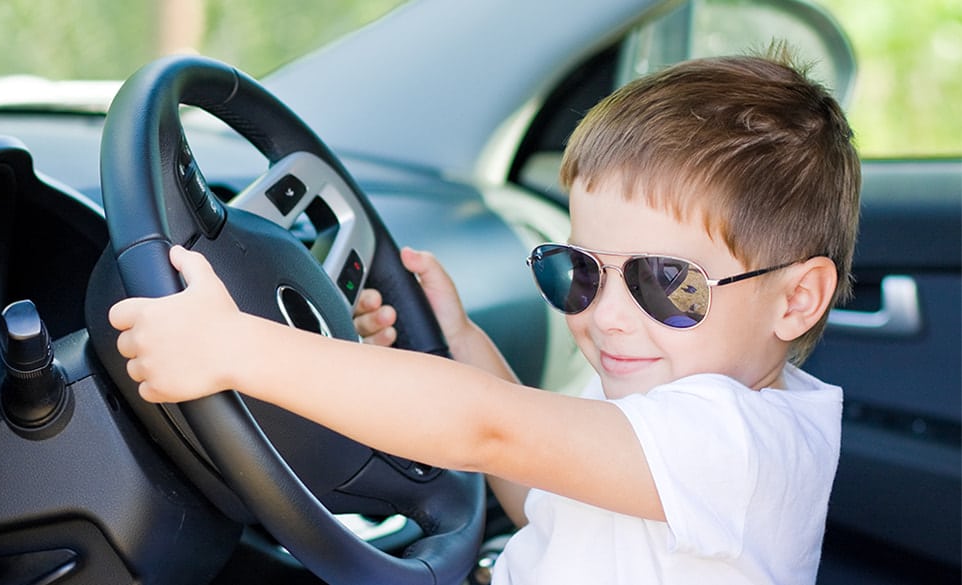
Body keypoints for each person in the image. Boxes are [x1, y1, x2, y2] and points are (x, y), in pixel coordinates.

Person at [109, 49, 861, 583]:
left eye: (669, 283)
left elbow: (490, 427)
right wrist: (461, 344)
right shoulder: (667, 391)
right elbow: (538, 493)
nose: (610, 318)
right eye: (581, 272)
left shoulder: (736, 445)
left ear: (796, 298)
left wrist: (237, 348)